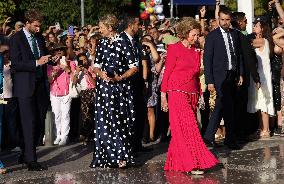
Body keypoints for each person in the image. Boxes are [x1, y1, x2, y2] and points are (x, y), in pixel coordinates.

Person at [161, 17, 219, 174]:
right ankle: (194, 162)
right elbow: (166, 74)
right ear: (185, 33)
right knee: (190, 127)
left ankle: (175, 162)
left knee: (182, 130)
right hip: (176, 92)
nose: (196, 38)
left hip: (192, 93)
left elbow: (195, 76)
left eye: (198, 35)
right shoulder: (174, 48)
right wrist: (163, 96)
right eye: (193, 35)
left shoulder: (196, 52)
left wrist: (200, 94)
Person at [90, 14, 138, 168]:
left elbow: (134, 67)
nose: (100, 30)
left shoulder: (124, 42)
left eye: (102, 27)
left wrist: (119, 78)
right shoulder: (101, 43)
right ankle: (107, 157)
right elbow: (95, 65)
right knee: (104, 123)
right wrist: (100, 73)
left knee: (119, 122)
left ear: (110, 27)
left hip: (119, 90)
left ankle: (121, 156)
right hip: (103, 89)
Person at [9, 9, 50, 171]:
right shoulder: (16, 39)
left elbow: (42, 56)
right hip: (24, 86)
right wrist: (35, 63)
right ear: (27, 23)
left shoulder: (39, 38)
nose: (39, 29)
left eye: (40, 26)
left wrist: (49, 60)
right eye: (36, 26)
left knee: (39, 122)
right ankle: (31, 160)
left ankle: (26, 153)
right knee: (28, 123)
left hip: (40, 85)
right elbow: (16, 64)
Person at [203, 7, 243, 150]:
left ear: (230, 19)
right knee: (221, 103)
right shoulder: (212, 36)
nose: (225, 22)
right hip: (219, 77)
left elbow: (238, 56)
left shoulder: (234, 34)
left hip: (232, 75)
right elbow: (207, 59)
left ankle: (225, 139)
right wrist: (210, 81)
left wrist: (240, 73)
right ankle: (210, 137)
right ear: (218, 19)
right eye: (222, 20)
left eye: (227, 20)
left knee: (228, 108)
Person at [247, 19, 275, 138]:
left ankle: (266, 129)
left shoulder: (262, 41)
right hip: (258, 75)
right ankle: (260, 127)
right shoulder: (263, 40)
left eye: (257, 26)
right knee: (259, 102)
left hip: (263, 76)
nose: (254, 27)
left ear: (262, 28)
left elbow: (248, 43)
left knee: (263, 102)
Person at [47, 43, 76, 146]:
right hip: (54, 93)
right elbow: (50, 80)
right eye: (56, 50)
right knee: (56, 115)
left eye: (61, 50)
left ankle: (64, 137)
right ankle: (57, 135)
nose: (59, 51)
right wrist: (55, 72)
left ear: (64, 51)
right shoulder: (50, 65)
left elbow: (74, 78)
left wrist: (67, 69)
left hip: (66, 92)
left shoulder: (71, 63)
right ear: (53, 52)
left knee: (65, 115)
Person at [73, 53, 96, 145]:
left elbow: (94, 83)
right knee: (86, 115)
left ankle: (89, 136)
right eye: (81, 60)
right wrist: (77, 72)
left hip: (93, 92)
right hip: (84, 93)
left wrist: (88, 73)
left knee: (93, 113)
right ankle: (85, 136)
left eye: (85, 59)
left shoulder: (92, 68)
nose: (84, 61)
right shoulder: (77, 71)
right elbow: (74, 83)